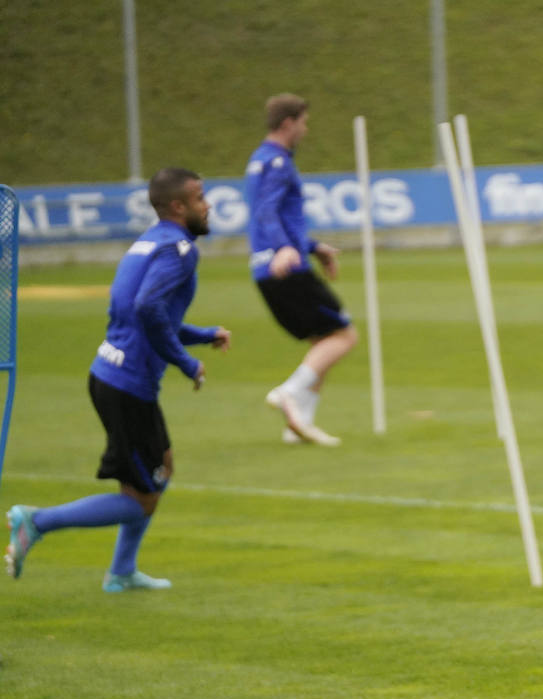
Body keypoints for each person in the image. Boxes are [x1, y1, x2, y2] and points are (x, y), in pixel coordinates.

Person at [5, 168, 230, 591]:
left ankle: (122, 571)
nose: (208, 205)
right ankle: (36, 521)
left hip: (110, 374)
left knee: (161, 468)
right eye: (200, 197)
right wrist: (187, 363)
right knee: (142, 499)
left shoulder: (148, 242)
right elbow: (148, 309)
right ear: (178, 206)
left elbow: (140, 313)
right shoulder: (180, 249)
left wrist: (203, 335)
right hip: (128, 386)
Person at [245, 92, 356, 446]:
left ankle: (300, 425)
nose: (306, 130)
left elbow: (270, 215)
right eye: (304, 122)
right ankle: (289, 393)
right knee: (344, 336)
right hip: (285, 268)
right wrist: (285, 248)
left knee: (322, 341)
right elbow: (266, 212)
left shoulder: (259, 160)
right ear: (288, 123)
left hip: (267, 269)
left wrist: (313, 247)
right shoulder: (278, 163)